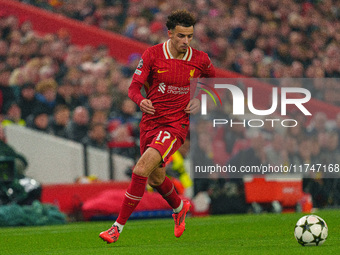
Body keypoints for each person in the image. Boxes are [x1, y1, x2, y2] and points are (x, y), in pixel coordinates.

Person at [99, 9, 215, 244]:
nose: (186, 41)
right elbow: (133, 88)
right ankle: (180, 206)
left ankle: (116, 228)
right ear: (170, 33)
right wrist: (141, 100)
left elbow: (213, 82)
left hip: (175, 125)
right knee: (154, 178)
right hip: (150, 124)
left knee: (140, 169)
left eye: (190, 36)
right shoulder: (152, 55)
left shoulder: (200, 59)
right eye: (181, 36)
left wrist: (199, 98)